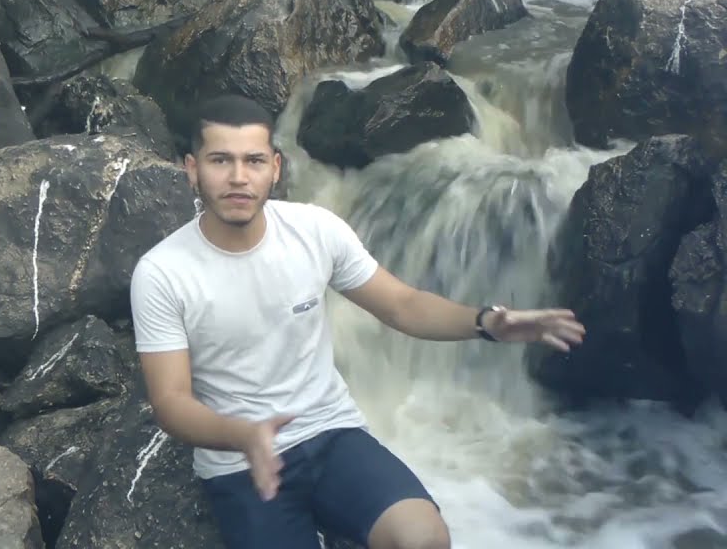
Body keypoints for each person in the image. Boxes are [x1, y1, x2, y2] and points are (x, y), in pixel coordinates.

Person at [129, 94, 586, 549]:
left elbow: (402, 305)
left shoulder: (314, 231)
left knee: (424, 539)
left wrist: (487, 322)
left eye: (253, 160)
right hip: (239, 462)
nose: (238, 177)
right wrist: (242, 436)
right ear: (191, 169)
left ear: (276, 168)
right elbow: (171, 401)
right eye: (220, 160)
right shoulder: (163, 272)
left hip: (332, 435)